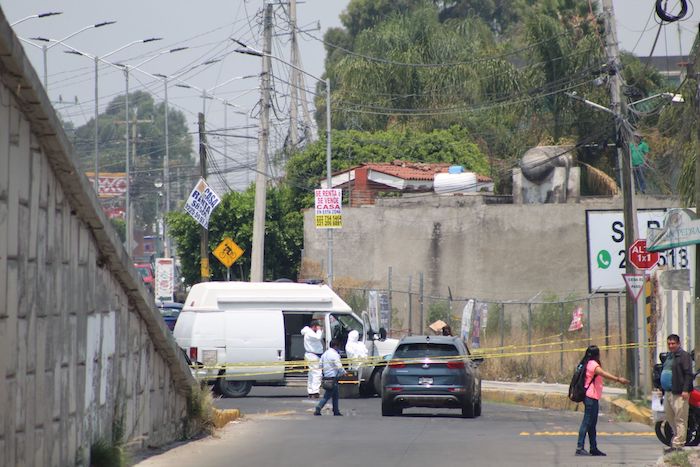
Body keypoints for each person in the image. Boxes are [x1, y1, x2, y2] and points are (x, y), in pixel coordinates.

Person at [576, 345, 630, 457]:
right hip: (591, 397)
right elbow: (604, 374)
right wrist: (618, 379)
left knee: (591, 424)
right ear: (597, 354)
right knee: (587, 422)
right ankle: (579, 447)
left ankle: (593, 448)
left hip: (592, 397)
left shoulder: (586, 363)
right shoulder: (593, 365)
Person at [661, 334, 694, 452]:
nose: (671, 346)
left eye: (673, 343)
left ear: (678, 344)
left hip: (680, 392)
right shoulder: (670, 356)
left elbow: (688, 374)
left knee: (680, 418)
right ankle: (676, 438)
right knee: (670, 417)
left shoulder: (684, 356)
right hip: (669, 392)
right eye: (669, 343)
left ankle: (678, 444)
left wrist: (685, 390)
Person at [315, 339, 346, 416]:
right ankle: (318, 407)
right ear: (336, 346)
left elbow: (320, 365)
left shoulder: (325, 354)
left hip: (326, 377)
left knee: (335, 395)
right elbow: (339, 366)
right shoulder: (335, 355)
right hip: (333, 377)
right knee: (327, 396)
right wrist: (344, 372)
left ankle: (336, 411)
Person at [301, 320, 324, 399]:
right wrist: (319, 330)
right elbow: (318, 337)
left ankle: (311, 391)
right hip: (313, 355)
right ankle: (315, 391)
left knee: (311, 373)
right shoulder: (310, 333)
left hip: (311, 355)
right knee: (317, 373)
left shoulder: (308, 332)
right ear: (314, 326)